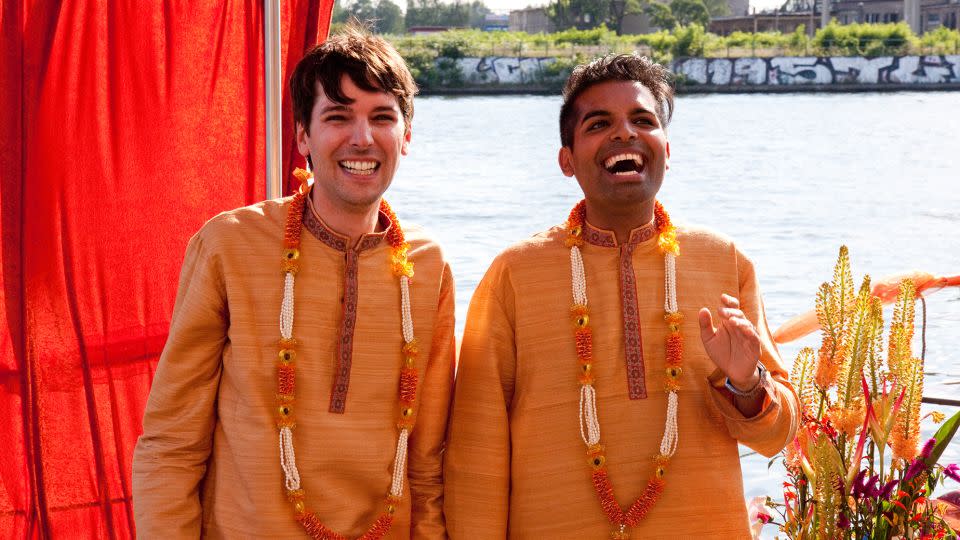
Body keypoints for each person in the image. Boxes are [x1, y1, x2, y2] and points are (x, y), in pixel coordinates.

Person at [443, 54, 799, 538]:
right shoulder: (515, 274)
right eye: (599, 123)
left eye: (643, 120)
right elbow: (475, 452)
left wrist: (746, 383)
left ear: (667, 151)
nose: (625, 134)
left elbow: (777, 434)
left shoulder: (722, 260)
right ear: (567, 160)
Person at [133, 26, 455, 539]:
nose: (362, 138)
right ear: (302, 134)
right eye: (338, 116)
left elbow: (427, 460)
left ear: (407, 136)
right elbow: (172, 442)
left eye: (381, 118)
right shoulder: (229, 245)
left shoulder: (427, 264)